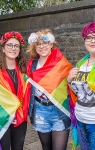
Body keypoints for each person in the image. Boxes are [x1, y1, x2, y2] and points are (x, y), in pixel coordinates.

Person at [26, 29, 72, 150]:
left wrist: (71, 79)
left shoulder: (60, 62)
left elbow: (70, 86)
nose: (42, 46)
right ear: (35, 47)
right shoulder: (31, 65)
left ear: (51, 44)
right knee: (46, 147)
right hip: (40, 111)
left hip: (59, 110)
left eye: (45, 43)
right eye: (38, 44)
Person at [0, 31, 29, 150]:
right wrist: (12, 106)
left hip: (20, 118)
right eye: (9, 45)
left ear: (19, 50)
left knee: (18, 147)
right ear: (3, 49)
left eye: (16, 46)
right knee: (4, 147)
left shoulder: (24, 71)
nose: (13, 48)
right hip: (2, 119)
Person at [67, 22, 95, 150]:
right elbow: (77, 91)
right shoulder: (81, 64)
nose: (92, 40)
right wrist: (69, 80)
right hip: (80, 117)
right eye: (88, 37)